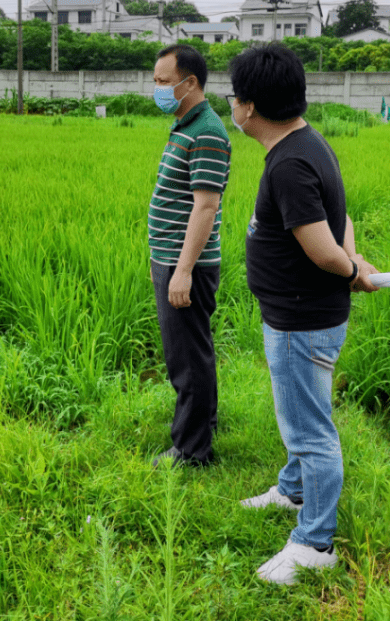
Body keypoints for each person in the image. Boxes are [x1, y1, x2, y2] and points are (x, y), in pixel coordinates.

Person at [229, 43, 379, 585]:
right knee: (300, 413)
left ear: (248, 107)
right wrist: (354, 259)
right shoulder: (309, 144)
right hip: (301, 314)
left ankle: (315, 542)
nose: (233, 107)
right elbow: (343, 219)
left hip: (301, 319)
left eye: (233, 97)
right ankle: (293, 491)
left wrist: (349, 270)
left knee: (310, 428)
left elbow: (320, 246)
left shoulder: (290, 162)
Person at [148, 44, 231, 468]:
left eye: (164, 81)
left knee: (186, 357)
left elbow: (206, 206)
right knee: (194, 349)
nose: (157, 88)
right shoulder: (186, 124)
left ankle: (191, 450)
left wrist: (182, 271)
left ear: (190, 82)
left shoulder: (208, 133)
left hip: (186, 265)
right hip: (173, 259)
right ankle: (205, 423)